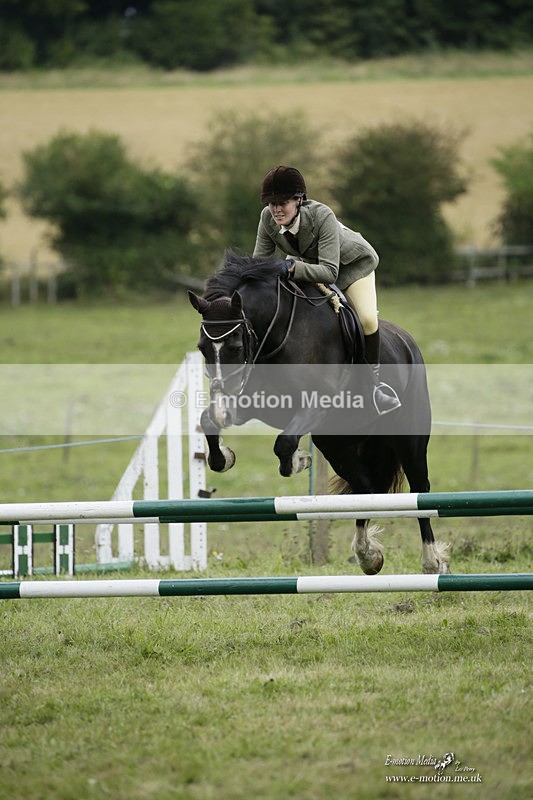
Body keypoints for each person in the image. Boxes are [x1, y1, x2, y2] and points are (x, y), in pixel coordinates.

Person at [253, 165, 401, 415]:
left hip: (352, 266)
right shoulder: (267, 219)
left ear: (299, 200)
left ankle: (375, 386)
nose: (276, 209)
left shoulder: (322, 216)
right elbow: (260, 265)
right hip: (312, 266)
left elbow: (330, 273)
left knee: (366, 318)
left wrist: (290, 268)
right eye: (271, 203)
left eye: (283, 203)